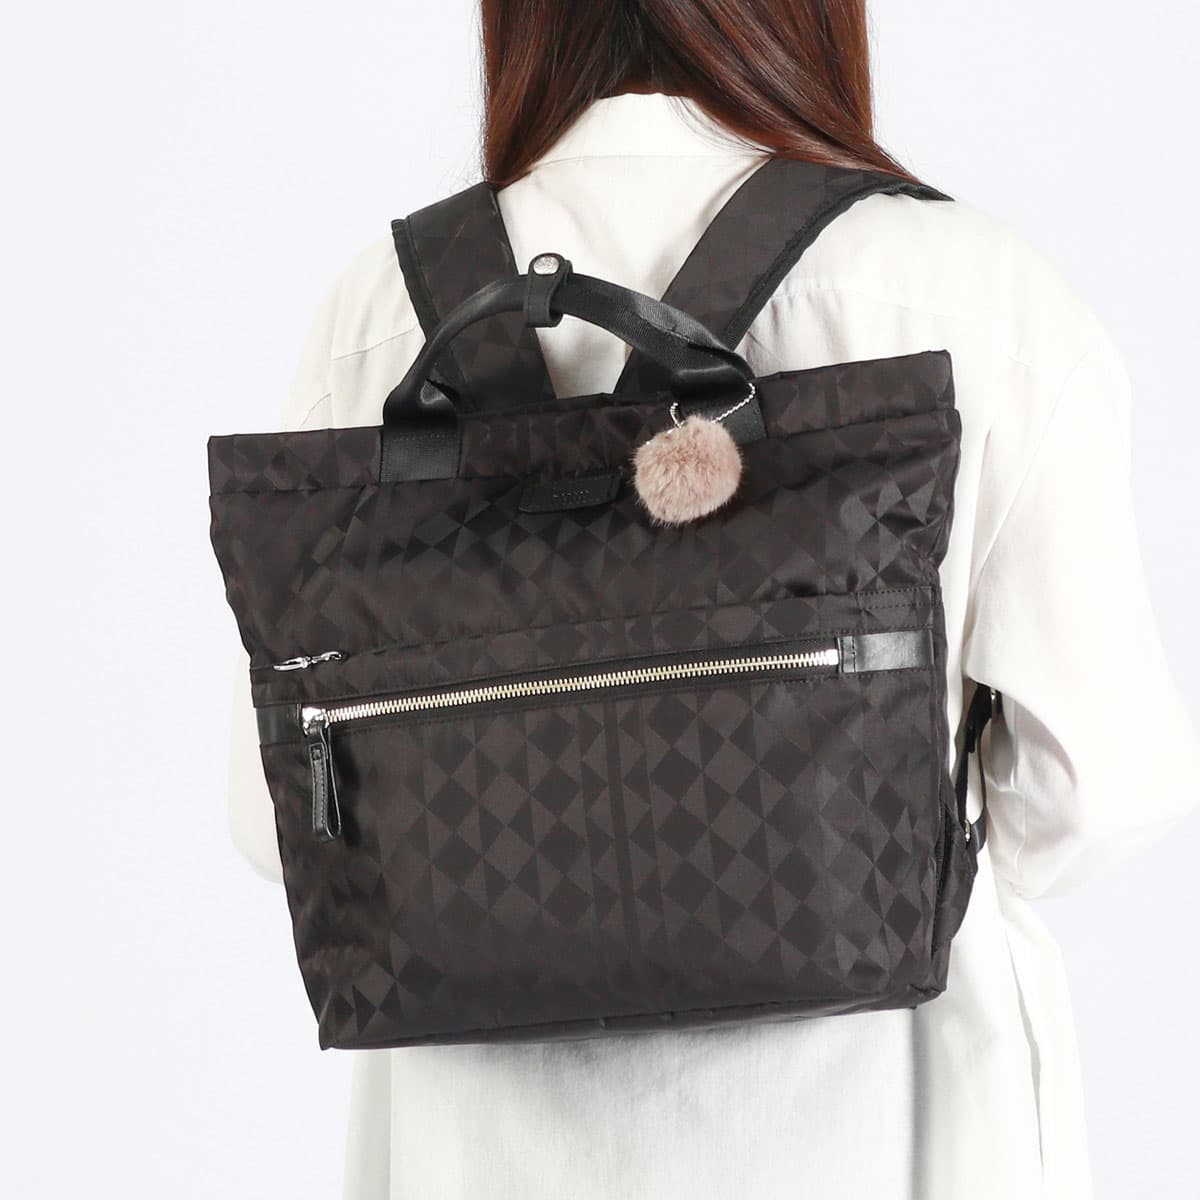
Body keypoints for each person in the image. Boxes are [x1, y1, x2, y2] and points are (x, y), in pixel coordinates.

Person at [225, 2, 1198, 1197]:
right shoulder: (974, 290)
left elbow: (273, 817)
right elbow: (1094, 796)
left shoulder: (378, 317)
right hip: (896, 1136)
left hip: (478, 1158)